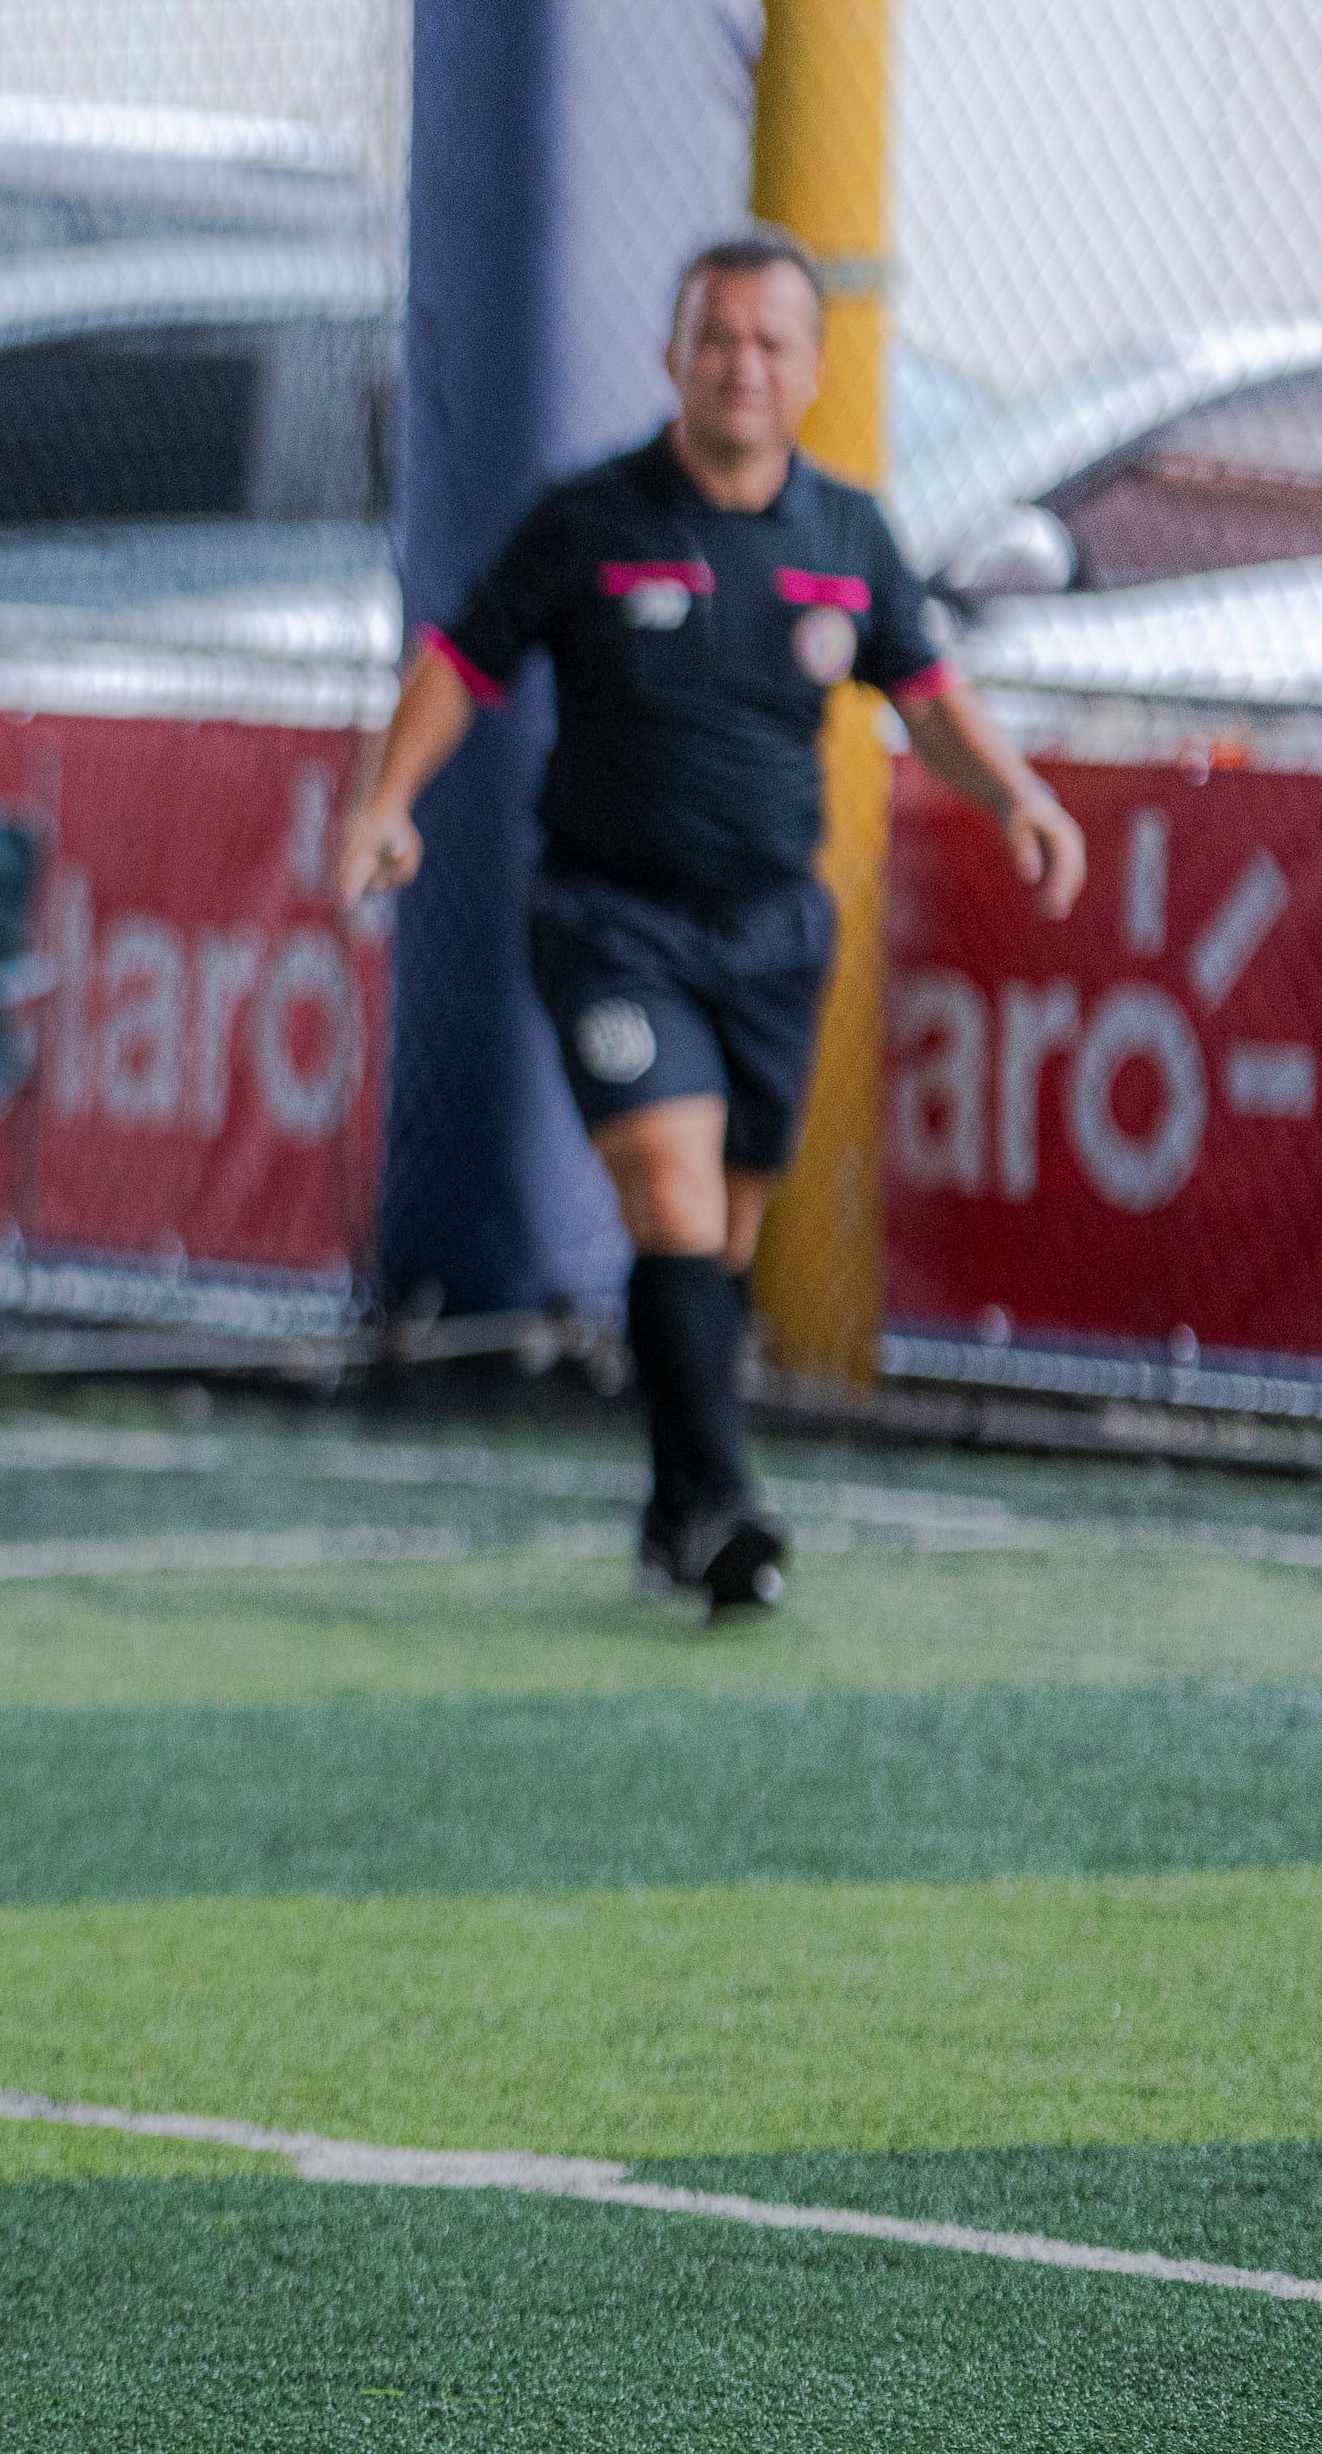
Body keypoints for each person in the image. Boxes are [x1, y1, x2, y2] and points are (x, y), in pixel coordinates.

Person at [335, 228, 1087, 1615]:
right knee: (671, 1195)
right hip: (612, 923)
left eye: (770, 342)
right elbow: (460, 659)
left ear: (809, 369)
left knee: (719, 1237)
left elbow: (928, 698)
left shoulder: (849, 534)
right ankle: (729, 1506)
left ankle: (676, 1505)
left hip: (771, 941)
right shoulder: (591, 518)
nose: (742, 365)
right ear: (674, 355)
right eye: (717, 337)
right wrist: (385, 799)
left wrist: (1017, 798)